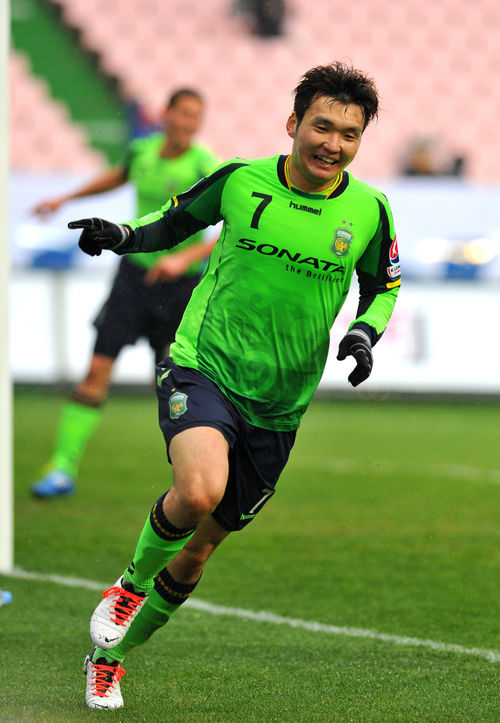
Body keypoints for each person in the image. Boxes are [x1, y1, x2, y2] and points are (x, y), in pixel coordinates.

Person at [69, 61, 401, 710]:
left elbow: (383, 286)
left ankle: (108, 659)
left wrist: (365, 333)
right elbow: (173, 222)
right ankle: (129, 586)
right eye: (322, 126)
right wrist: (123, 236)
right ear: (293, 123)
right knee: (199, 490)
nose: (333, 144)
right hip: (204, 364)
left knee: (196, 555)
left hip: (279, 403)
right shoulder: (241, 179)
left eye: (350, 134)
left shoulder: (369, 209)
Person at [31, 88, 220, 498]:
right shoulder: (142, 152)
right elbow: (116, 177)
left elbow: (229, 229)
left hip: (179, 289)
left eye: (196, 117)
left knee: (172, 387)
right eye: (184, 114)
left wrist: (183, 258)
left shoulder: (205, 166)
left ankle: (189, 484)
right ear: (166, 114)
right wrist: (64, 199)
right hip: (132, 279)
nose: (189, 123)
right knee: (96, 371)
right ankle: (62, 467)